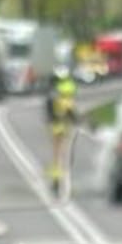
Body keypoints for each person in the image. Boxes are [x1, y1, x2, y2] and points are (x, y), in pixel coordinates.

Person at [44, 68, 78, 196]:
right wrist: (76, 120)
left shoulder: (52, 93)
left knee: (56, 155)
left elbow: (48, 111)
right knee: (64, 155)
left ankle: (56, 181)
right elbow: (71, 111)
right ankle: (63, 183)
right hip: (64, 126)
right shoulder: (67, 91)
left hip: (55, 126)